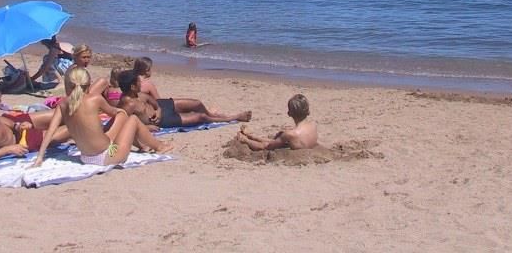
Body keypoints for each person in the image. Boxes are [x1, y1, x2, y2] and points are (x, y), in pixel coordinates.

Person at [33, 67, 173, 167]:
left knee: (121, 119)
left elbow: (50, 131)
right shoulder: (95, 99)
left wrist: (40, 157)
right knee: (132, 119)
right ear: (88, 84)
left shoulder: (62, 105)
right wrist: (121, 112)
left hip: (86, 158)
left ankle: (143, 144)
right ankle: (159, 146)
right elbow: (115, 112)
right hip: (108, 154)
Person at [0, 82, 71, 162]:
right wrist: (7, 150)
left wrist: (16, 126)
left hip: (14, 123)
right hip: (22, 140)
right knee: (72, 126)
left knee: (63, 112)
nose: (0, 103)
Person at [118, 69, 252, 129]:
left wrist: (158, 110)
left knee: (197, 103)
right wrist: (148, 128)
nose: (141, 83)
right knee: (201, 117)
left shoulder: (139, 94)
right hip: (163, 120)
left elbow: (153, 102)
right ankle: (234, 117)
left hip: (162, 106)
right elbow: (123, 124)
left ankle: (212, 114)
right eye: (138, 82)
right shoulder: (127, 105)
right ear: (132, 86)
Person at [236, 94, 318, 151]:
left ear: (289, 113)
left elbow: (266, 147)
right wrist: (253, 137)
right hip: (301, 146)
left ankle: (246, 139)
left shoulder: (290, 134)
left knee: (269, 143)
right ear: (307, 111)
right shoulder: (314, 125)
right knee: (278, 139)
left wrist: (246, 141)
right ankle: (252, 136)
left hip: (294, 147)